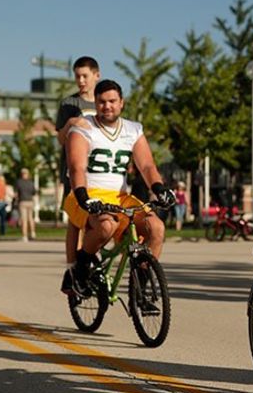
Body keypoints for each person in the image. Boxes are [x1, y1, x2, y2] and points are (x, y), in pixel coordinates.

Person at [61, 79, 176, 293]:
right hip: (87, 193)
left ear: (121, 102)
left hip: (120, 196)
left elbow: (147, 165)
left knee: (157, 229)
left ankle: (140, 284)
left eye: (112, 101)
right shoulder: (84, 127)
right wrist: (83, 196)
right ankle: (82, 265)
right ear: (95, 103)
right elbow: (77, 167)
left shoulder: (133, 129)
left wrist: (159, 188)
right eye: (102, 102)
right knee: (106, 226)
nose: (107, 106)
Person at [56, 56, 101, 268]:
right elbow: (60, 139)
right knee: (75, 219)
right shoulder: (69, 104)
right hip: (74, 170)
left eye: (85, 76)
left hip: (100, 170)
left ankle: (93, 257)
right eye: (77, 77)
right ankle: (73, 265)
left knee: (99, 217)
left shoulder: (105, 103)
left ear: (96, 75)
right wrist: (72, 122)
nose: (81, 81)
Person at [14, 168, 37, 241]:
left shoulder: (19, 182)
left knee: (24, 219)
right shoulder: (31, 182)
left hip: (22, 202)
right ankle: (33, 233)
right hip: (30, 202)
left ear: (21, 174)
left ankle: (25, 236)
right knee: (31, 218)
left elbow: (16, 194)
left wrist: (15, 200)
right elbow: (34, 193)